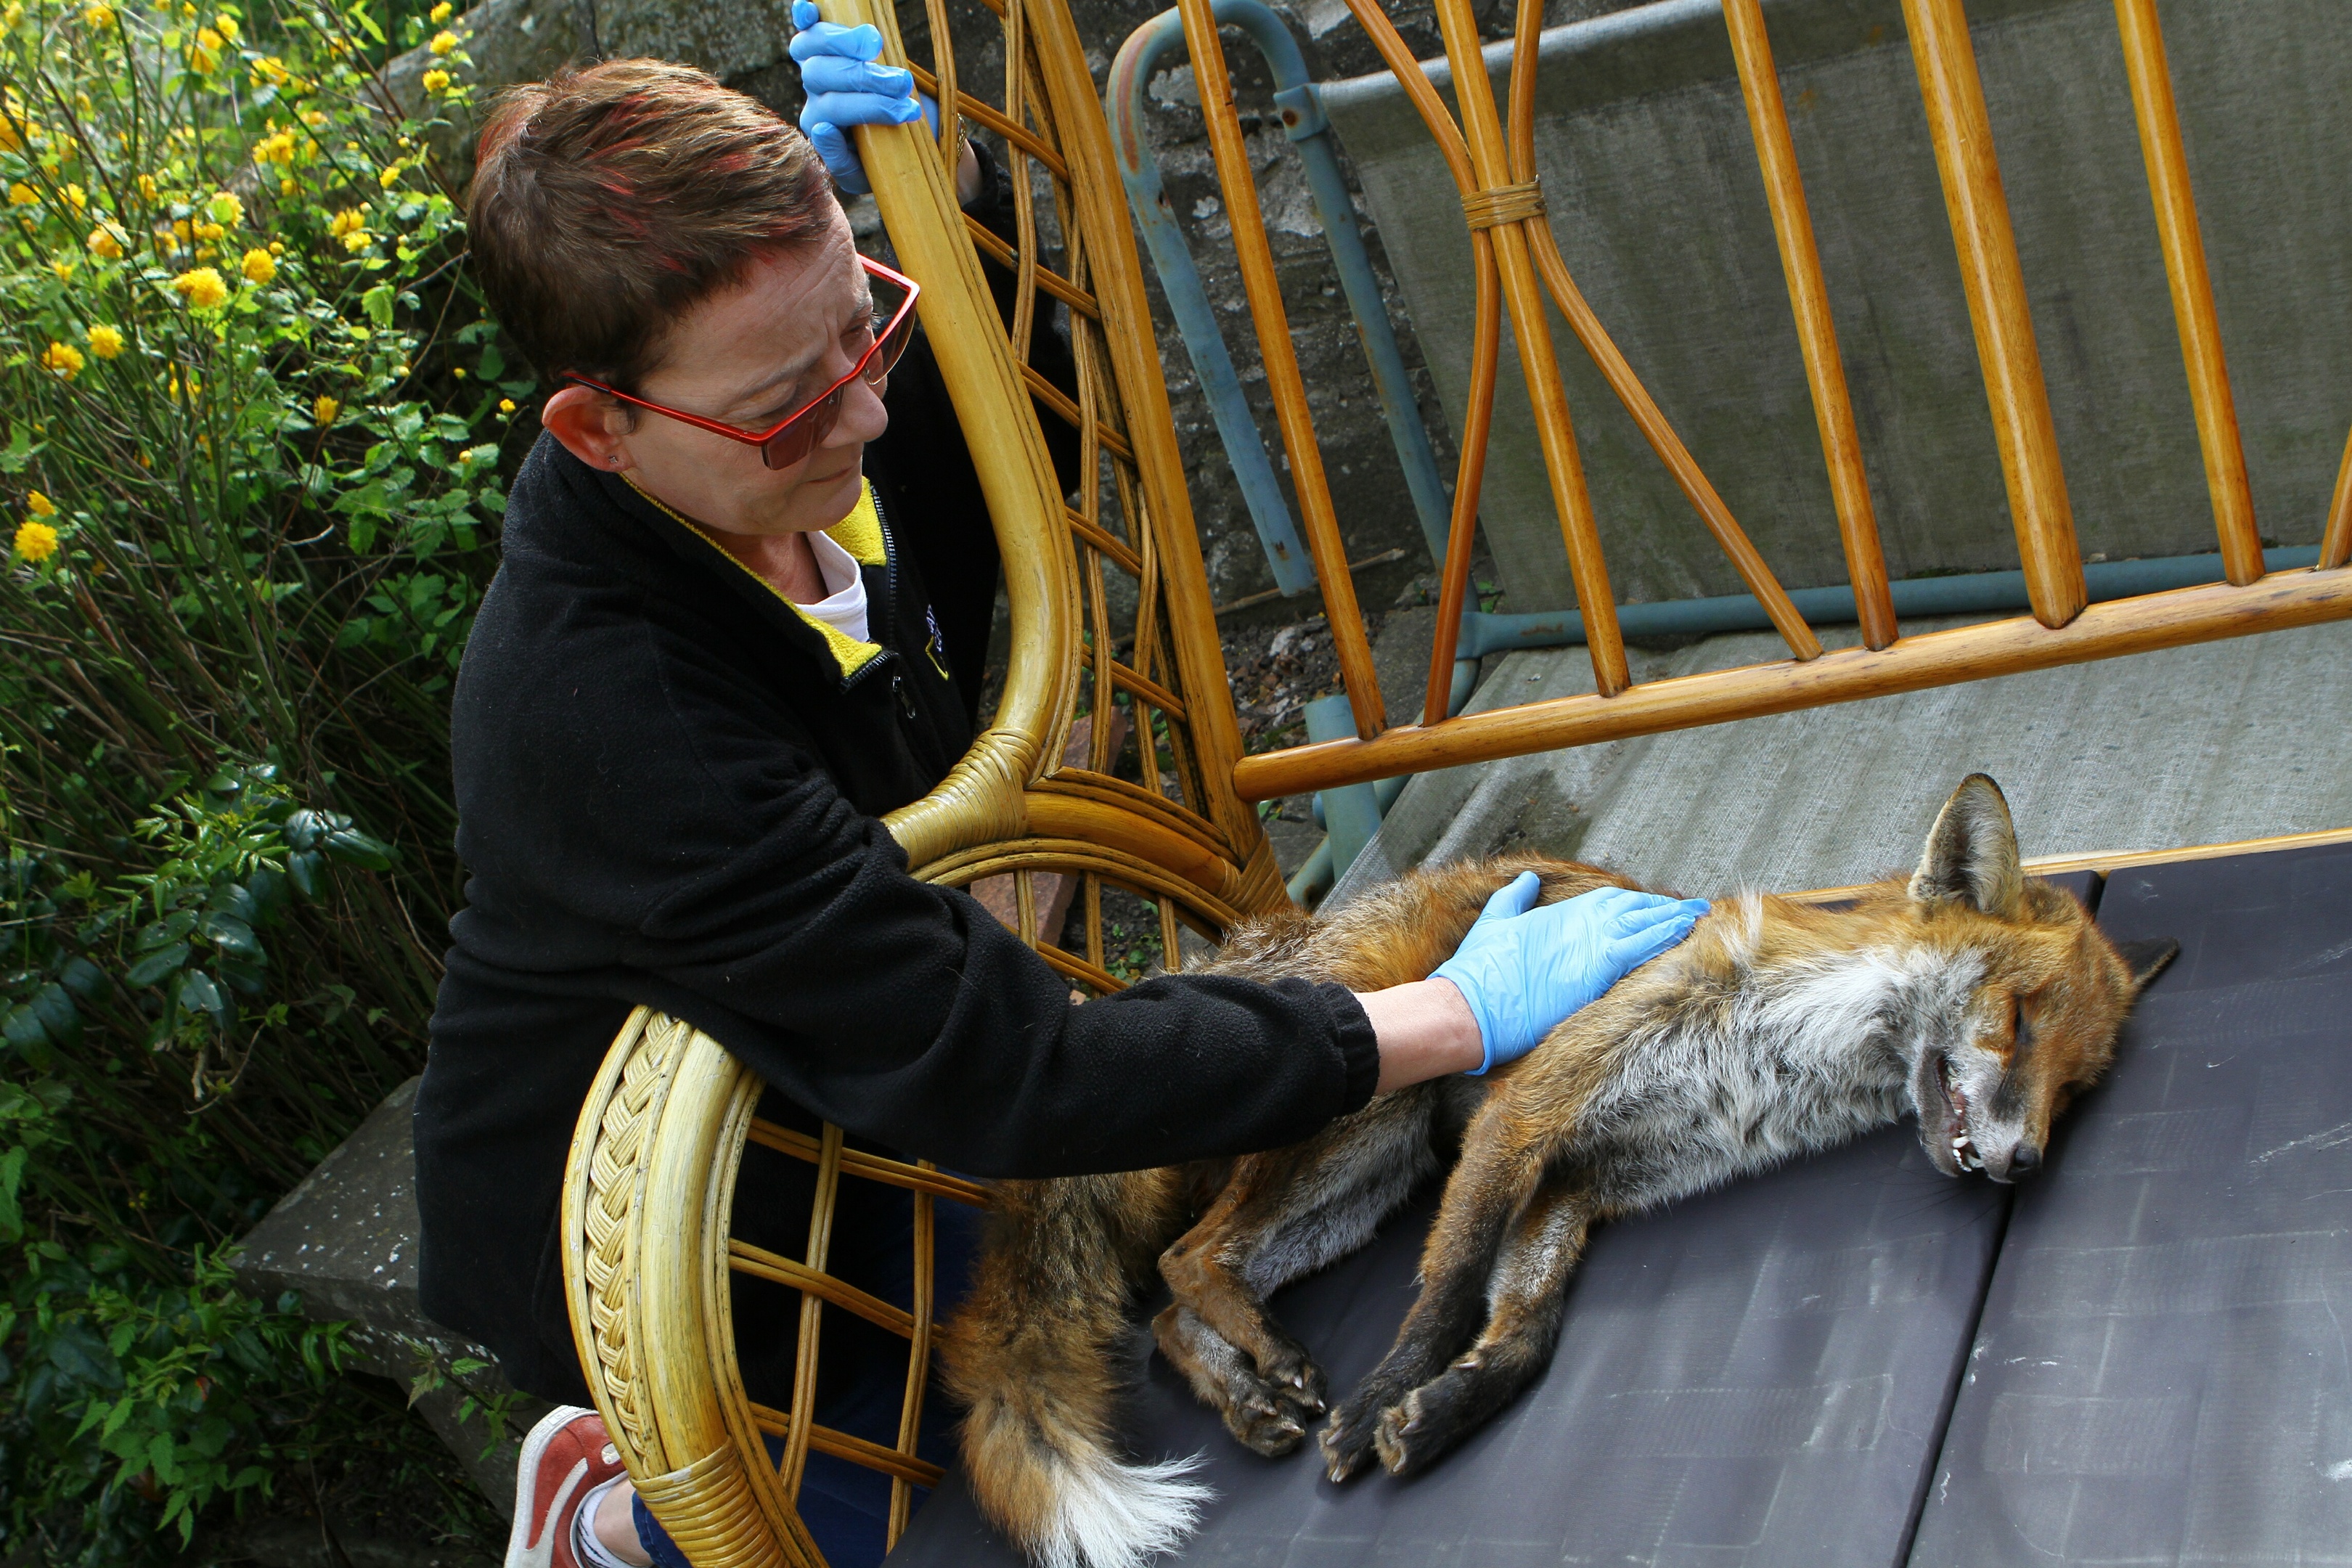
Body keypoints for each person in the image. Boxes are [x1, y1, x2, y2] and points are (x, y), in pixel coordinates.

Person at [416, 29, 1706, 1568]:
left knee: (1023, 1330)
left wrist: (948, 211)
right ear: (597, 425)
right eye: (783, 401)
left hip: (847, 1069)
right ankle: (609, 1520)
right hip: (664, 1232)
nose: (863, 414)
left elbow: (993, 447)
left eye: (864, 323)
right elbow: (1006, 1065)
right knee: (883, 1503)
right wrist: (1445, 1017)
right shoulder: (600, 714)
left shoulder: (780, 446)